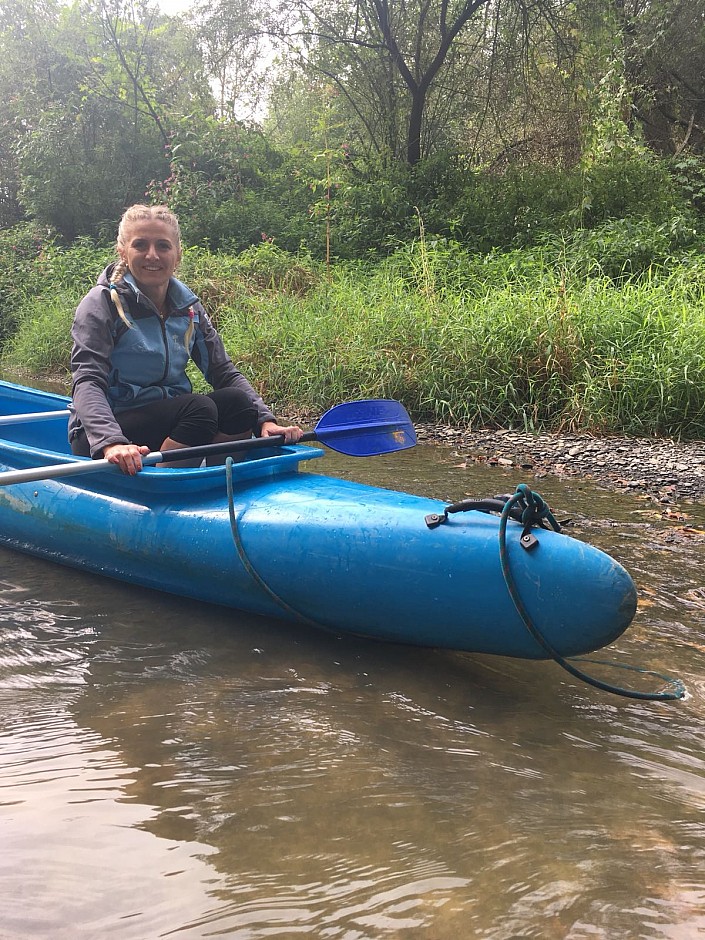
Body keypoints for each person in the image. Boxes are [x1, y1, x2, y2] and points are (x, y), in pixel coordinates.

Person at [69, 204, 303, 474]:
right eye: (141, 245)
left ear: (177, 254)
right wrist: (112, 442)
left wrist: (265, 419)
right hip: (103, 434)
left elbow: (222, 371)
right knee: (199, 409)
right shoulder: (102, 304)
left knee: (239, 405)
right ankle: (166, 488)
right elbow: (88, 381)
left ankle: (217, 482)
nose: (152, 255)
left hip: (172, 421)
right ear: (123, 251)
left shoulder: (188, 308)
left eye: (163, 246)